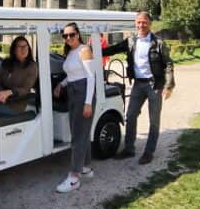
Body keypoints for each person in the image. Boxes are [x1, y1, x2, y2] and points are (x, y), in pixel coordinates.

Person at [103, 11, 175, 165]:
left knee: (154, 120)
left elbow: (168, 64)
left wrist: (169, 85)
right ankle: (129, 149)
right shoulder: (131, 41)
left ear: (150, 24)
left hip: (154, 85)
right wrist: (96, 51)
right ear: (135, 24)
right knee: (130, 116)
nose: (141, 25)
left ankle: (149, 152)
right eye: (139, 22)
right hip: (138, 84)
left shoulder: (158, 43)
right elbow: (113, 49)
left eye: (144, 22)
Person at [54, 22, 96, 193]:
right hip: (73, 91)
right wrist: (61, 84)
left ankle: (74, 177)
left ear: (78, 34)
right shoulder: (71, 52)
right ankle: (86, 167)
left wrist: (87, 102)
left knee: (78, 135)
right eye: (65, 36)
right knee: (80, 133)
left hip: (83, 93)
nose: (69, 38)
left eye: (72, 34)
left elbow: (90, 77)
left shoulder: (84, 50)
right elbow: (72, 74)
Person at [0, 35, 38, 138]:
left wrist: (9, 92)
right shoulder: (7, 63)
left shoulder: (32, 66)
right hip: (0, 97)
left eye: (25, 46)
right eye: (20, 47)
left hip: (15, 104)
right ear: (14, 50)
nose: (23, 49)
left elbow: (25, 89)